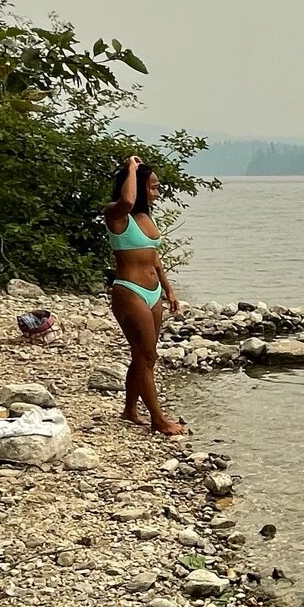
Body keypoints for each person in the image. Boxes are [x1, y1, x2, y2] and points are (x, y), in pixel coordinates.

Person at [104, 153, 186, 435]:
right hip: (129, 291)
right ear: (137, 185)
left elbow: (154, 257)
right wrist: (130, 167)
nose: (158, 192)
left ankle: (129, 410)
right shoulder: (117, 212)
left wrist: (168, 288)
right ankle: (158, 420)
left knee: (141, 355)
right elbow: (127, 200)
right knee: (147, 355)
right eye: (153, 187)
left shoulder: (144, 217)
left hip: (153, 293)